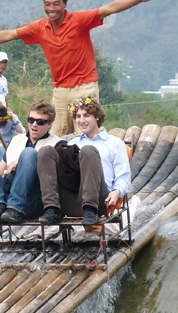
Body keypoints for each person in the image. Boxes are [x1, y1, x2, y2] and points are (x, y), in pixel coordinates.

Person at [0, 0, 167, 136]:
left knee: (85, 136)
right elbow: (9, 34)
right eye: (47, 4)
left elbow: (109, 8)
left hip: (85, 88)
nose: (52, 8)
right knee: (55, 135)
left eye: (56, 4)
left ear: (65, 4)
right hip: (60, 91)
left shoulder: (79, 20)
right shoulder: (40, 27)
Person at [36, 97, 131, 226]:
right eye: (78, 117)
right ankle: (52, 209)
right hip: (71, 199)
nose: (82, 121)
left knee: (88, 151)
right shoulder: (72, 143)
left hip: (99, 201)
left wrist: (117, 191)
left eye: (87, 116)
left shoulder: (114, 143)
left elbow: (124, 176)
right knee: (46, 150)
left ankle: (90, 210)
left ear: (97, 117)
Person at [0, 99, 63, 224]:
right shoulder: (16, 140)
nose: (34, 124)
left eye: (40, 122)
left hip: (32, 197)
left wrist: (20, 161)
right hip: (8, 192)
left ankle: (15, 208)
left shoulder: (57, 144)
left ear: (50, 124)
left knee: (29, 153)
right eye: (31, 120)